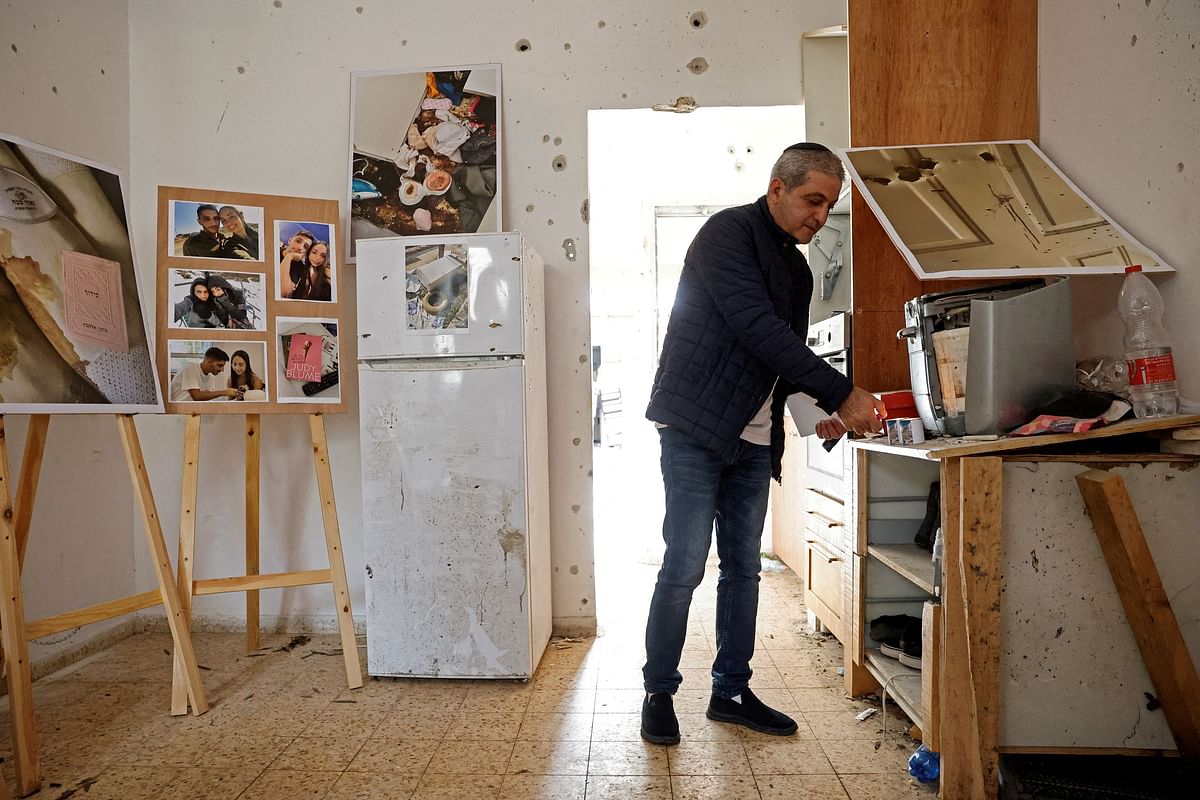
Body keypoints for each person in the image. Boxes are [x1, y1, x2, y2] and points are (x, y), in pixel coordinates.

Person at [639, 143, 885, 746]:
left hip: (752, 440)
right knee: (684, 564)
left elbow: (782, 362)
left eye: (829, 204)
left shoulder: (798, 271)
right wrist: (842, 390)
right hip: (696, 430)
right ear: (777, 189)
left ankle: (730, 692)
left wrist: (818, 410)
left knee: (744, 568)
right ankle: (659, 692)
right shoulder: (726, 234)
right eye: (812, 200)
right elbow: (756, 328)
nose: (821, 216)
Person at [168, 347, 238, 402]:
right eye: (220, 365)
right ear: (209, 361)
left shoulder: (210, 376)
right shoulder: (190, 369)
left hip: (192, 413)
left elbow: (207, 397)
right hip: (175, 414)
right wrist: (224, 392)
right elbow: (196, 396)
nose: (222, 370)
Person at [278, 230, 315, 296]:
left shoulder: (300, 268)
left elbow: (283, 291)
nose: (300, 247)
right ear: (290, 240)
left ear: (306, 253)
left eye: (305, 247)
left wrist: (289, 257)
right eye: (298, 241)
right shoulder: (273, 250)